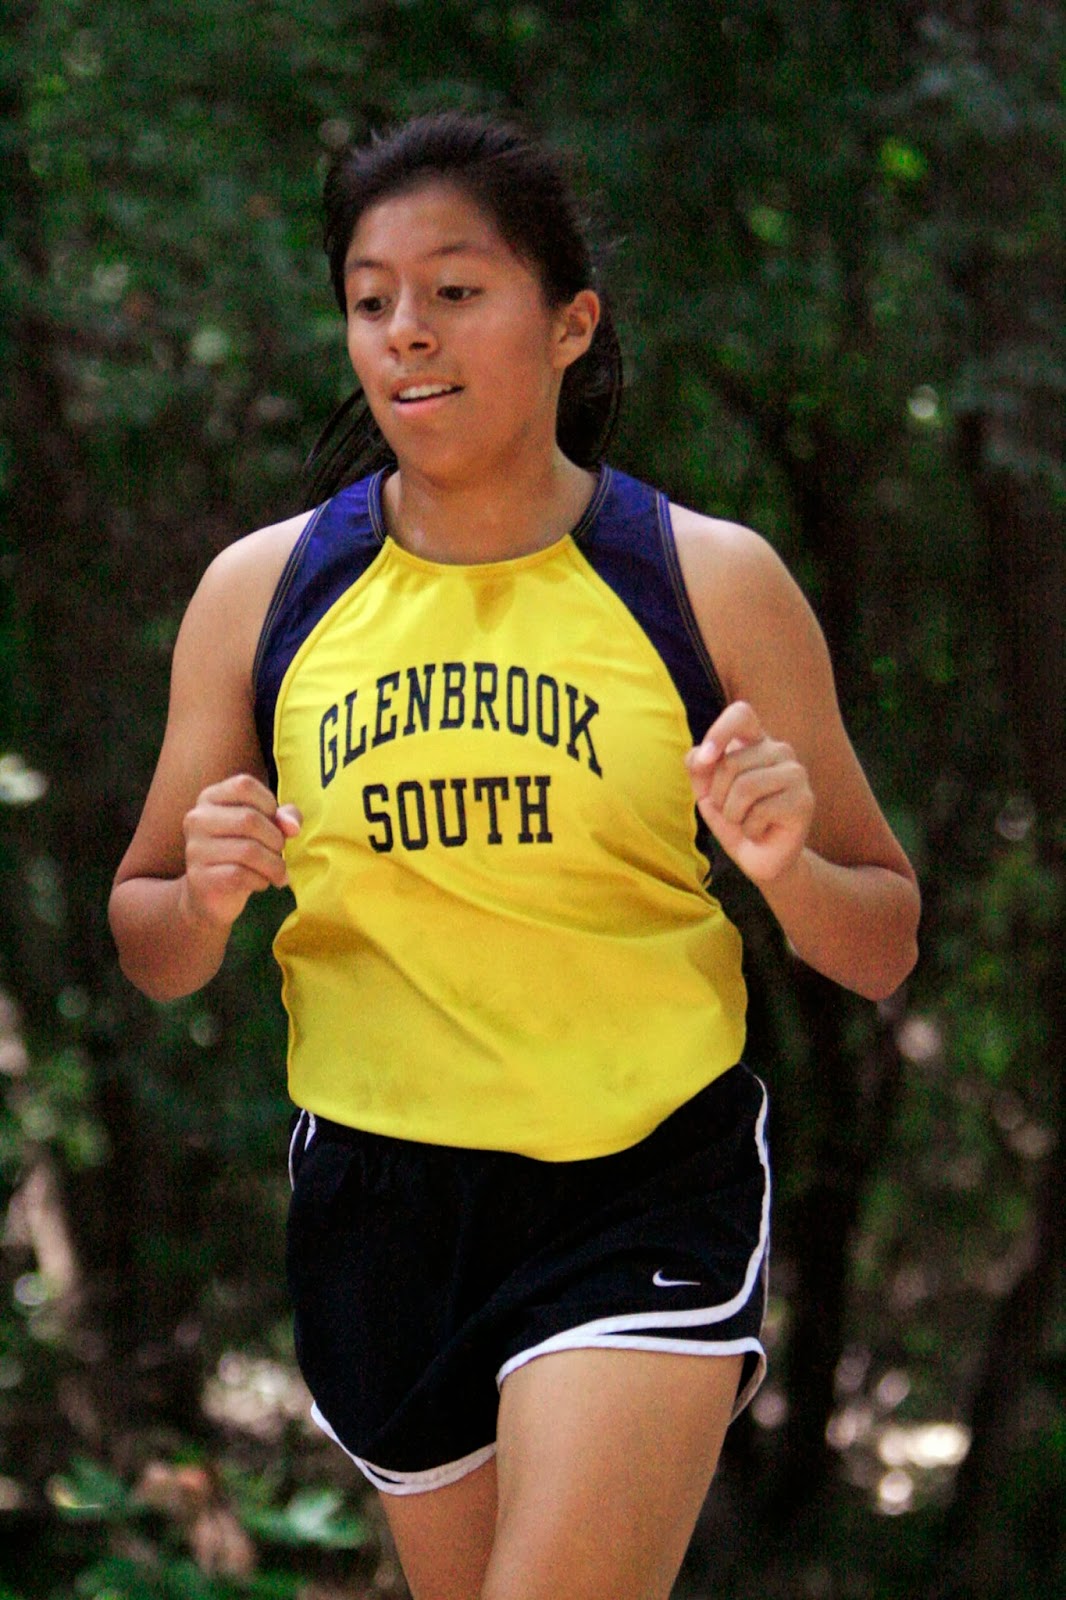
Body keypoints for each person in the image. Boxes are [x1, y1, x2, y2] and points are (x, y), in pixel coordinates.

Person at [109, 112, 919, 1600]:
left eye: (455, 290)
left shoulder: (703, 578)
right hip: (380, 1203)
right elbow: (149, 945)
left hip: (639, 1178)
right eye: (371, 299)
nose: (406, 333)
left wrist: (789, 866)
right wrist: (207, 892)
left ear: (569, 322)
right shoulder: (263, 594)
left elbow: (879, 940)